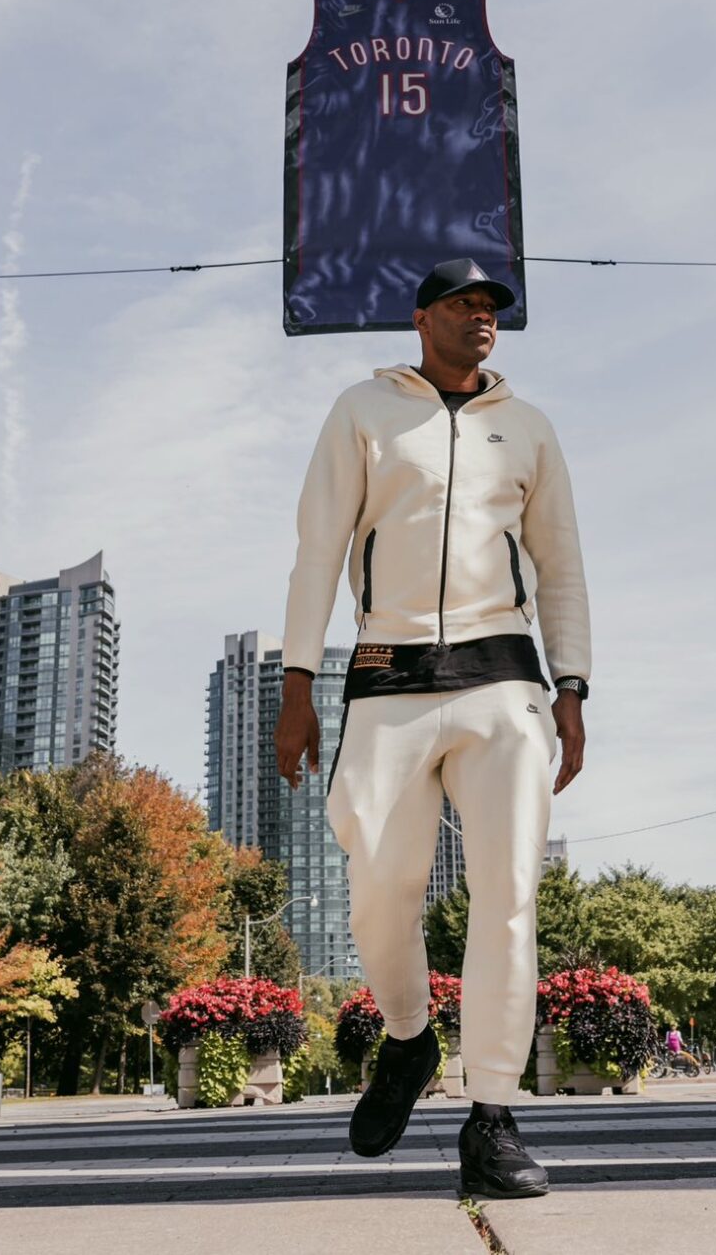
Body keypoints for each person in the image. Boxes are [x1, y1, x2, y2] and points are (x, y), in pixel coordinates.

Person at [275, 256, 592, 1202]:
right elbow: (318, 550)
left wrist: (572, 686)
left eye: (492, 305)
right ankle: (409, 1040)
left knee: (506, 895)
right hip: (387, 678)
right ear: (422, 318)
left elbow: (563, 566)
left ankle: (492, 1115)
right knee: (378, 885)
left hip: (504, 683)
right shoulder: (363, 413)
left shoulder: (528, 429)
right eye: (463, 302)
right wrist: (298, 684)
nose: (482, 316)